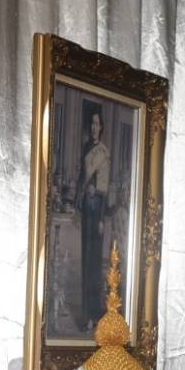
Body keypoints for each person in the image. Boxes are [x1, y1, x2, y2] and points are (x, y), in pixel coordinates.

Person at [76, 107, 110, 332]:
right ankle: (88, 313)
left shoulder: (103, 152)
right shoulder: (87, 148)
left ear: (102, 127)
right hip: (86, 211)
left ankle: (95, 315)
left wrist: (100, 219)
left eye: (98, 124)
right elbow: (82, 178)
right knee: (85, 262)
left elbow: (103, 189)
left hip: (96, 210)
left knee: (94, 265)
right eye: (92, 124)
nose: (94, 127)